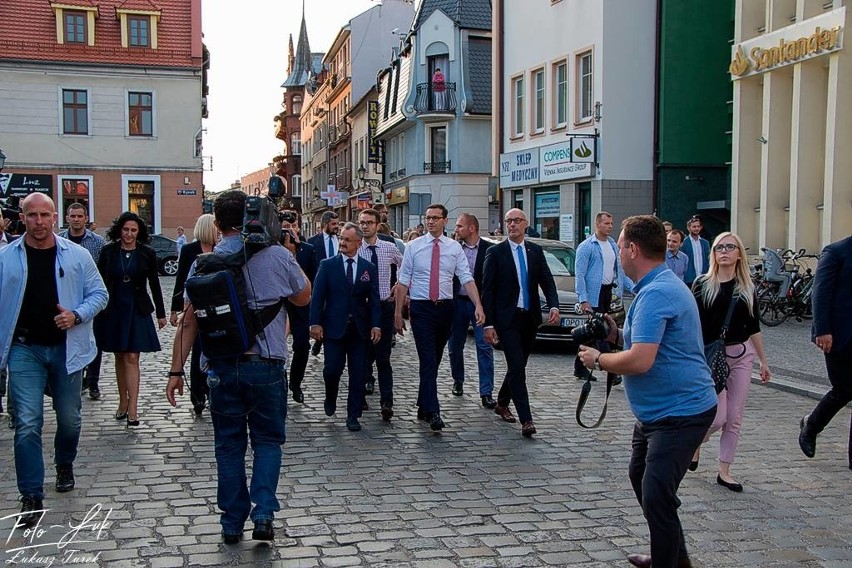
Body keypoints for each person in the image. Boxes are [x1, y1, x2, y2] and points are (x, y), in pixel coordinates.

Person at [166, 189, 311, 544]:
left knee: (229, 446)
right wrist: (289, 253)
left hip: (221, 366)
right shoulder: (277, 254)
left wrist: (175, 371)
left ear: (217, 225)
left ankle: (232, 522)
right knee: (267, 442)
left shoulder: (205, 262)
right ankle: (263, 513)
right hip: (266, 364)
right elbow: (304, 295)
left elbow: (189, 322)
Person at [577, 215, 717, 568]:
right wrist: (616, 336)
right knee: (643, 480)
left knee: (656, 494)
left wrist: (600, 358)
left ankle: (667, 561)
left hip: (681, 413)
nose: (618, 251)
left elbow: (640, 361)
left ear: (633, 249)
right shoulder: (653, 287)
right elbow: (644, 343)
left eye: (621, 244)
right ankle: (674, 558)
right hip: (657, 414)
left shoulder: (658, 292)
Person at [0, 193, 108, 527]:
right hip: (24, 349)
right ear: (22, 217)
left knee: (70, 419)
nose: (39, 222)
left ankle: (64, 463)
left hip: (66, 348)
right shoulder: (6, 258)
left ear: (54, 216)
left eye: (45, 215)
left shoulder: (76, 256)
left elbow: (99, 295)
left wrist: (76, 315)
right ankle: (31, 493)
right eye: (32, 215)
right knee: (28, 422)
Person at [690, 232, 771, 492]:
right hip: (712, 357)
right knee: (718, 417)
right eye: (719, 247)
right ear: (713, 253)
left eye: (730, 247)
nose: (724, 251)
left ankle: (725, 470)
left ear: (739, 254)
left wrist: (763, 361)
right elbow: (694, 327)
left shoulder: (747, 287)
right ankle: (695, 442)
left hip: (741, 355)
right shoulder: (702, 284)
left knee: (734, 417)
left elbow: (754, 326)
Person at [395, 204, 485, 431]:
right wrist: (397, 313)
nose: (431, 221)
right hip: (421, 309)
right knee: (426, 358)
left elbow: (466, 277)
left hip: (446, 309)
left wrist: (478, 305)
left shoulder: (454, 248)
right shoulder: (414, 247)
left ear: (445, 221)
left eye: (436, 218)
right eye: (428, 217)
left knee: (434, 359)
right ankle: (433, 411)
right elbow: (403, 280)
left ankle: (422, 402)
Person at [482, 208, 559, 437]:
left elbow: (546, 279)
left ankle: (502, 402)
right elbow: (487, 290)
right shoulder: (496, 253)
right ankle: (526, 419)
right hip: (507, 318)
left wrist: (553, 305)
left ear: (526, 224)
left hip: (530, 317)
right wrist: (488, 323)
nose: (512, 225)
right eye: (509, 221)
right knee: (516, 366)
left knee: (518, 366)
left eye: (516, 221)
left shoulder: (534, 250)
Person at [95, 212, 167, 427]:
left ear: (139, 232)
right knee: (119, 356)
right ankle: (123, 402)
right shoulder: (108, 251)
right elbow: (99, 281)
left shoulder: (147, 253)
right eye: (126, 229)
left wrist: (161, 314)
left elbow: (154, 283)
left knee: (132, 357)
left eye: (133, 230)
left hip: (137, 308)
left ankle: (134, 408)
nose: (129, 234)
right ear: (120, 230)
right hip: (114, 307)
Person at [311, 222, 381, 431]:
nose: (342, 242)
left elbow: (374, 299)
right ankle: (330, 396)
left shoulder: (368, 268)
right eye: (341, 238)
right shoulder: (328, 265)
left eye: (347, 240)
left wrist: (376, 325)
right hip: (333, 327)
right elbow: (317, 297)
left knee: (358, 373)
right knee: (332, 369)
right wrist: (315, 323)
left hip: (359, 329)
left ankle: (353, 415)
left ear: (358, 243)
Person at [798, 234, 852, 469]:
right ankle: (811, 425)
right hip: (839, 335)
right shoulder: (836, 252)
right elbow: (820, 294)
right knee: (844, 388)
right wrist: (823, 330)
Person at [574, 211, 631, 382]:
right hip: (593, 294)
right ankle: (611, 371)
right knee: (601, 330)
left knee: (592, 332)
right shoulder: (587, 246)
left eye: (611, 223)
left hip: (608, 292)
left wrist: (633, 286)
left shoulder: (613, 245)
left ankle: (579, 366)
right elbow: (580, 274)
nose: (610, 226)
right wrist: (583, 299)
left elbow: (619, 271)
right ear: (597, 224)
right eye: (606, 223)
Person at [170, 214, 218, 415]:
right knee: (197, 348)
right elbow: (181, 279)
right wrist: (175, 309)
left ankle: (210, 389)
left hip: (216, 308)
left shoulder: (220, 249)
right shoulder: (190, 250)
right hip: (196, 307)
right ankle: (197, 393)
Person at [357, 209, 402, 418]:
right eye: (362, 223)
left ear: (377, 225)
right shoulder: (355, 249)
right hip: (363, 308)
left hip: (384, 306)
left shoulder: (388, 247)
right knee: (362, 355)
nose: (365, 226)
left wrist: (399, 284)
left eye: (369, 223)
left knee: (383, 357)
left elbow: (404, 265)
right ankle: (361, 396)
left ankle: (387, 401)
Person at [59, 203, 106, 400]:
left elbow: (102, 273)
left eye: (80, 216)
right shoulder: (59, 240)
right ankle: (70, 378)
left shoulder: (97, 242)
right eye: (73, 216)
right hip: (66, 299)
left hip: (91, 299)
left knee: (94, 340)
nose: (76, 219)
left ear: (86, 218)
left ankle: (92, 380)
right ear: (67, 218)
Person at [448, 213, 496, 408]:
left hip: (480, 305)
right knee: (454, 347)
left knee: (484, 346)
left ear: (472, 228)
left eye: (460, 226)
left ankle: (486, 392)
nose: (456, 229)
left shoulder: (490, 250)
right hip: (457, 303)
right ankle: (458, 380)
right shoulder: (453, 248)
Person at [280, 211, 317, 404]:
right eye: (286, 227)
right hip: (279, 305)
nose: (290, 231)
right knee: (277, 345)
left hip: (301, 305)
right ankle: (281, 382)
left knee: (302, 346)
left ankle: (296, 383)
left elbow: (313, 279)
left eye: (293, 227)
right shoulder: (273, 249)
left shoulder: (307, 250)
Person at [307, 211, 340, 356]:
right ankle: (319, 340)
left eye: (337, 224)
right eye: (333, 224)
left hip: (338, 285)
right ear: (324, 224)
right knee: (321, 313)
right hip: (319, 284)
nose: (336, 227)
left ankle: (328, 341)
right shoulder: (313, 242)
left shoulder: (341, 240)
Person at [682, 215, 710, 287]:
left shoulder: (705, 243)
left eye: (698, 226)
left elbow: (708, 260)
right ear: (689, 228)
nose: (696, 228)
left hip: (703, 279)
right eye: (694, 227)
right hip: (689, 280)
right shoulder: (684, 243)